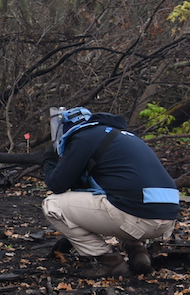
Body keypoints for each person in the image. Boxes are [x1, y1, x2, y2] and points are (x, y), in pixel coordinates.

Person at [42, 107, 180, 278]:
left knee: (52, 205)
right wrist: (70, 239)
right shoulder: (119, 136)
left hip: (138, 218)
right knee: (121, 196)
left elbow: (57, 184)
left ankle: (110, 262)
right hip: (167, 218)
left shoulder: (84, 137)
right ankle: (137, 252)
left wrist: (48, 160)